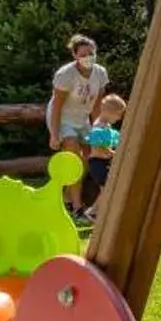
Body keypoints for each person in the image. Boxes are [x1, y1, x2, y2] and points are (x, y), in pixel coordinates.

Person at [47, 35, 110, 210]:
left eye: (91, 53)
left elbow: (97, 105)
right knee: (73, 156)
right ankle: (77, 207)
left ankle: (67, 195)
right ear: (75, 56)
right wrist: (54, 134)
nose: (88, 57)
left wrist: (99, 129)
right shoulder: (65, 75)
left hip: (83, 118)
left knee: (93, 156)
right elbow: (57, 106)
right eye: (83, 54)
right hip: (63, 118)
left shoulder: (100, 73)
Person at [78, 94, 126, 221]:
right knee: (108, 189)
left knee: (108, 189)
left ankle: (98, 212)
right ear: (107, 112)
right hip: (98, 163)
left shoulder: (106, 125)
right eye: (118, 114)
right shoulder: (99, 126)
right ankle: (92, 212)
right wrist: (111, 152)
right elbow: (97, 145)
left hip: (104, 162)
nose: (119, 118)